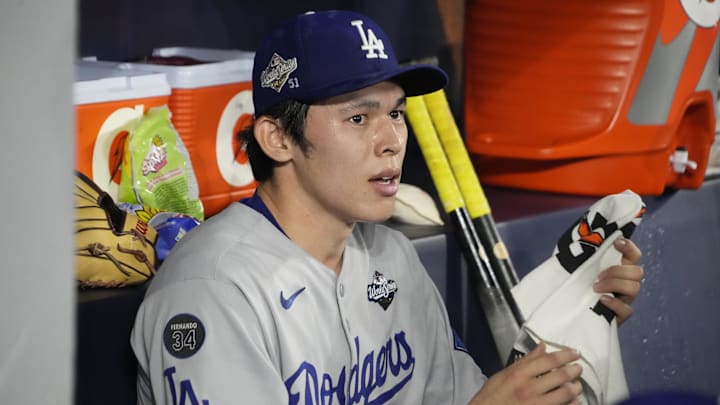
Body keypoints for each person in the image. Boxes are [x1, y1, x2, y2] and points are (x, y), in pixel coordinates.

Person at [131, 10, 644, 405]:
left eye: (397, 113)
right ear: (278, 137)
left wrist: (578, 326)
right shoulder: (213, 291)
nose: (392, 140)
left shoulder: (391, 255)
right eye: (359, 117)